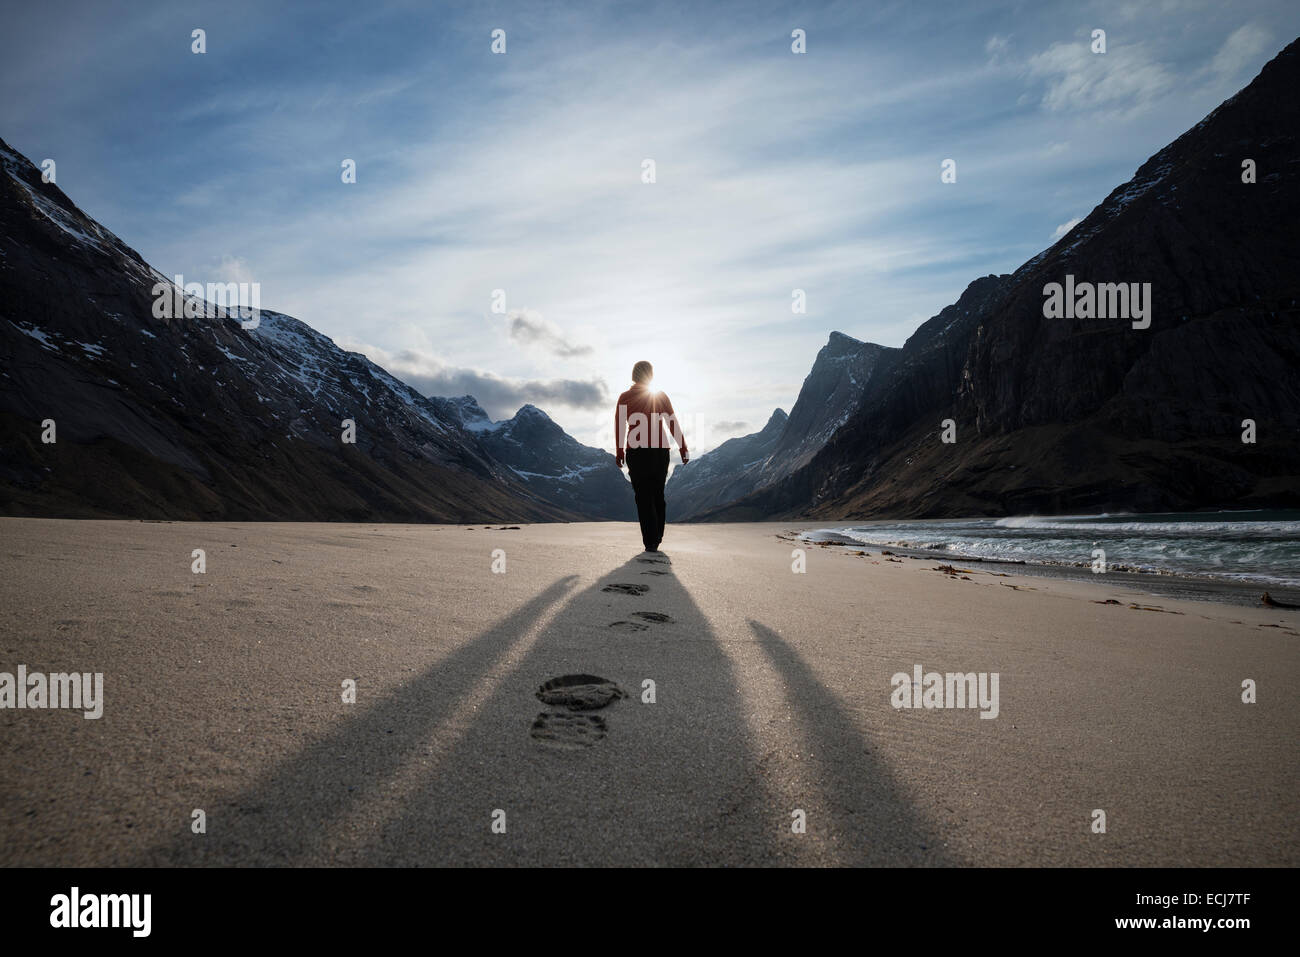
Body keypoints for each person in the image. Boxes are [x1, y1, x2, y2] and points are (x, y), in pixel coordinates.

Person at [614, 361, 688, 552]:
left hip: (636, 452)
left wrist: (619, 450)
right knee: (657, 494)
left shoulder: (624, 397)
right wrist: (682, 447)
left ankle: (650, 541)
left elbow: (619, 425)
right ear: (651, 376)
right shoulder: (659, 396)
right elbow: (672, 422)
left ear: (633, 374)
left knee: (643, 496)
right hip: (659, 451)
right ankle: (657, 536)